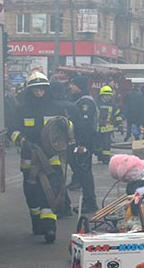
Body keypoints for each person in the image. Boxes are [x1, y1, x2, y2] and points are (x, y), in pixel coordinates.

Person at [10, 71, 75, 243]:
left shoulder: (56, 108)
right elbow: (12, 131)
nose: (39, 92)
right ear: (30, 91)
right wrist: (24, 142)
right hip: (29, 160)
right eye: (35, 90)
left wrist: (65, 123)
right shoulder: (21, 109)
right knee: (32, 195)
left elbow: (68, 129)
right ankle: (37, 223)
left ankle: (49, 228)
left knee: (51, 194)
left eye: (42, 89)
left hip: (51, 159)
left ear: (47, 89)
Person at [66, 75, 99, 214]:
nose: (70, 87)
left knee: (85, 174)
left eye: (73, 84)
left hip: (83, 144)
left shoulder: (85, 102)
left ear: (79, 85)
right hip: (81, 143)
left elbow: (86, 126)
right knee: (83, 173)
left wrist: (82, 144)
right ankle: (88, 202)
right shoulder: (80, 100)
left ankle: (90, 203)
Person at [95, 85, 122, 164]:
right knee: (98, 143)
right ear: (102, 95)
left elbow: (118, 115)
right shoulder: (96, 104)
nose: (108, 97)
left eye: (109, 96)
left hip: (108, 128)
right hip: (98, 127)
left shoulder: (113, 105)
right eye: (106, 95)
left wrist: (119, 124)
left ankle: (106, 158)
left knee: (106, 144)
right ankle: (100, 155)